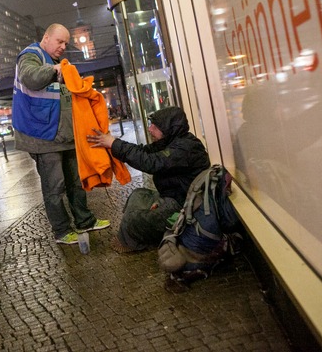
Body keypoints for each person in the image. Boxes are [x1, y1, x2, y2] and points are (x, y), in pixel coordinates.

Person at [12, 23, 110, 245]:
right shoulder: (30, 56)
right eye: (60, 41)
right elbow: (30, 78)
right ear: (46, 38)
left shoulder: (58, 62)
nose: (64, 46)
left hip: (63, 134)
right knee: (54, 187)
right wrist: (55, 71)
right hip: (42, 136)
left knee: (76, 181)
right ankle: (62, 231)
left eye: (66, 43)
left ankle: (85, 221)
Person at [87, 106, 210, 252]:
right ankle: (135, 233)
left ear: (169, 128)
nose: (150, 129)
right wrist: (114, 145)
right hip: (173, 195)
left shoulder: (186, 148)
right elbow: (143, 152)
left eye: (155, 126)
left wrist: (114, 143)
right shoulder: (171, 141)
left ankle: (136, 238)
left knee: (133, 220)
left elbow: (150, 162)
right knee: (138, 194)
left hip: (184, 205)